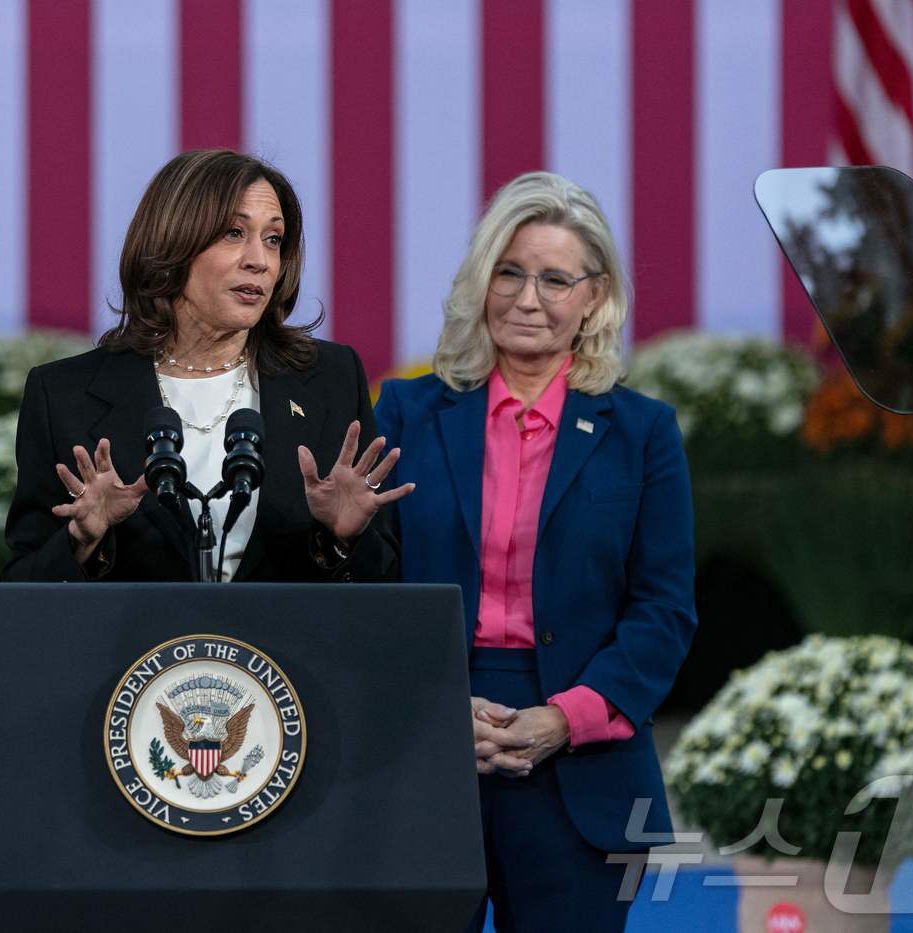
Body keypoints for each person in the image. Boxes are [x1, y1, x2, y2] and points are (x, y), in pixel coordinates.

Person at [373, 171, 696, 932]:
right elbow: (368, 588)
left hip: (580, 756)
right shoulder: (406, 411)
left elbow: (665, 609)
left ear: (595, 297)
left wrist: (565, 717)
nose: (527, 297)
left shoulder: (642, 431)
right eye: (509, 272)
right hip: (424, 735)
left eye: (555, 279)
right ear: (481, 284)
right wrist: (440, 705)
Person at [2, 149, 413, 584]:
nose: (260, 259)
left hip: (283, 650)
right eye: (235, 233)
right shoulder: (65, 396)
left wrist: (345, 539)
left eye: (273, 239)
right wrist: (82, 538)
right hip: (136, 650)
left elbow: (382, 587)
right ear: (172, 244)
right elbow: (21, 595)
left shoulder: (330, 378)